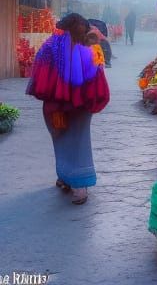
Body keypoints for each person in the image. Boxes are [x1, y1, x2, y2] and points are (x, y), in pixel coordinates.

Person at [26, 13, 110, 205]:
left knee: (61, 140)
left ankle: (65, 178)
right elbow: (99, 80)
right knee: (79, 141)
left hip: (56, 107)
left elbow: (39, 80)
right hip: (82, 107)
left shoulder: (49, 47)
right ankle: (80, 188)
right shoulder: (92, 49)